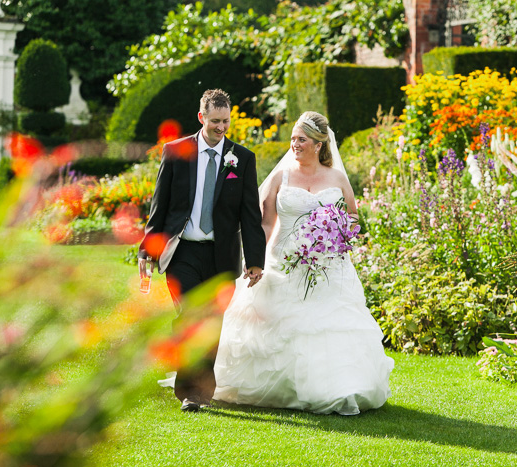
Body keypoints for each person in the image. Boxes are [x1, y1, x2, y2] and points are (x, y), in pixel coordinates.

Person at [213, 111, 394, 415]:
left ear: (319, 144)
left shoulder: (336, 178)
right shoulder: (281, 176)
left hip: (326, 265)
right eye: (294, 138)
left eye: (301, 139)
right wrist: (256, 260)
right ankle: (280, 387)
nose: (294, 144)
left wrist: (334, 233)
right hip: (282, 262)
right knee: (279, 326)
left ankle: (337, 386)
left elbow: (352, 219)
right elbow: (266, 224)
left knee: (326, 325)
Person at [138, 89, 266, 413]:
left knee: (211, 323)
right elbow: (160, 206)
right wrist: (146, 252)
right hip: (181, 251)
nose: (222, 128)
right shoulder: (175, 152)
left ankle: (198, 389)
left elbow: (251, 215)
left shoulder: (243, 158)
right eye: (215, 122)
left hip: (221, 256)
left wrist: (255, 261)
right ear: (201, 118)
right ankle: (191, 393)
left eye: (226, 122)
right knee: (190, 315)